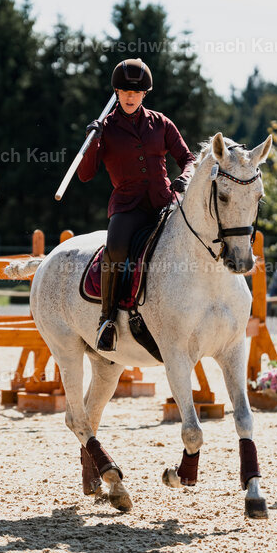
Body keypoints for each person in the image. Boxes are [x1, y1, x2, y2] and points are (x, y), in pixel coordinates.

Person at [77, 58, 196, 352]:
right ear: (117, 92)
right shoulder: (105, 128)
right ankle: (107, 320)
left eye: (136, 93)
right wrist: (92, 142)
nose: (131, 97)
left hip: (164, 202)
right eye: (125, 92)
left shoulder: (161, 123)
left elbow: (188, 159)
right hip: (127, 207)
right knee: (116, 251)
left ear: (144, 94)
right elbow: (85, 175)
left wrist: (185, 177)